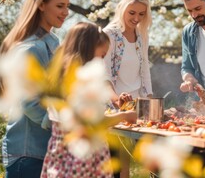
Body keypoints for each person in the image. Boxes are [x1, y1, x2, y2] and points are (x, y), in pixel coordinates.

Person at [40, 22, 137, 178]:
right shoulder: (79, 80)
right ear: (87, 49)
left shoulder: (60, 76)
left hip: (60, 159)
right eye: (101, 55)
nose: (101, 62)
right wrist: (125, 116)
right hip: (82, 160)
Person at [0, 0, 70, 178]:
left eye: (67, 6)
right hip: (28, 156)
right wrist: (60, 123)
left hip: (43, 152)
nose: (66, 12)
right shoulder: (31, 49)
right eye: (60, 6)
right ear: (41, 5)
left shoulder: (52, 45)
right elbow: (28, 103)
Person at [102, 0, 153, 178]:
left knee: (151, 161)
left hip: (139, 107)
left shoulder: (141, 36)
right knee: (119, 166)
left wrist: (149, 103)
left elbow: (145, 71)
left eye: (141, 14)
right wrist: (118, 101)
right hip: (115, 107)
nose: (136, 18)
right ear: (122, 7)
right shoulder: (109, 34)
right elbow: (104, 76)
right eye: (132, 12)